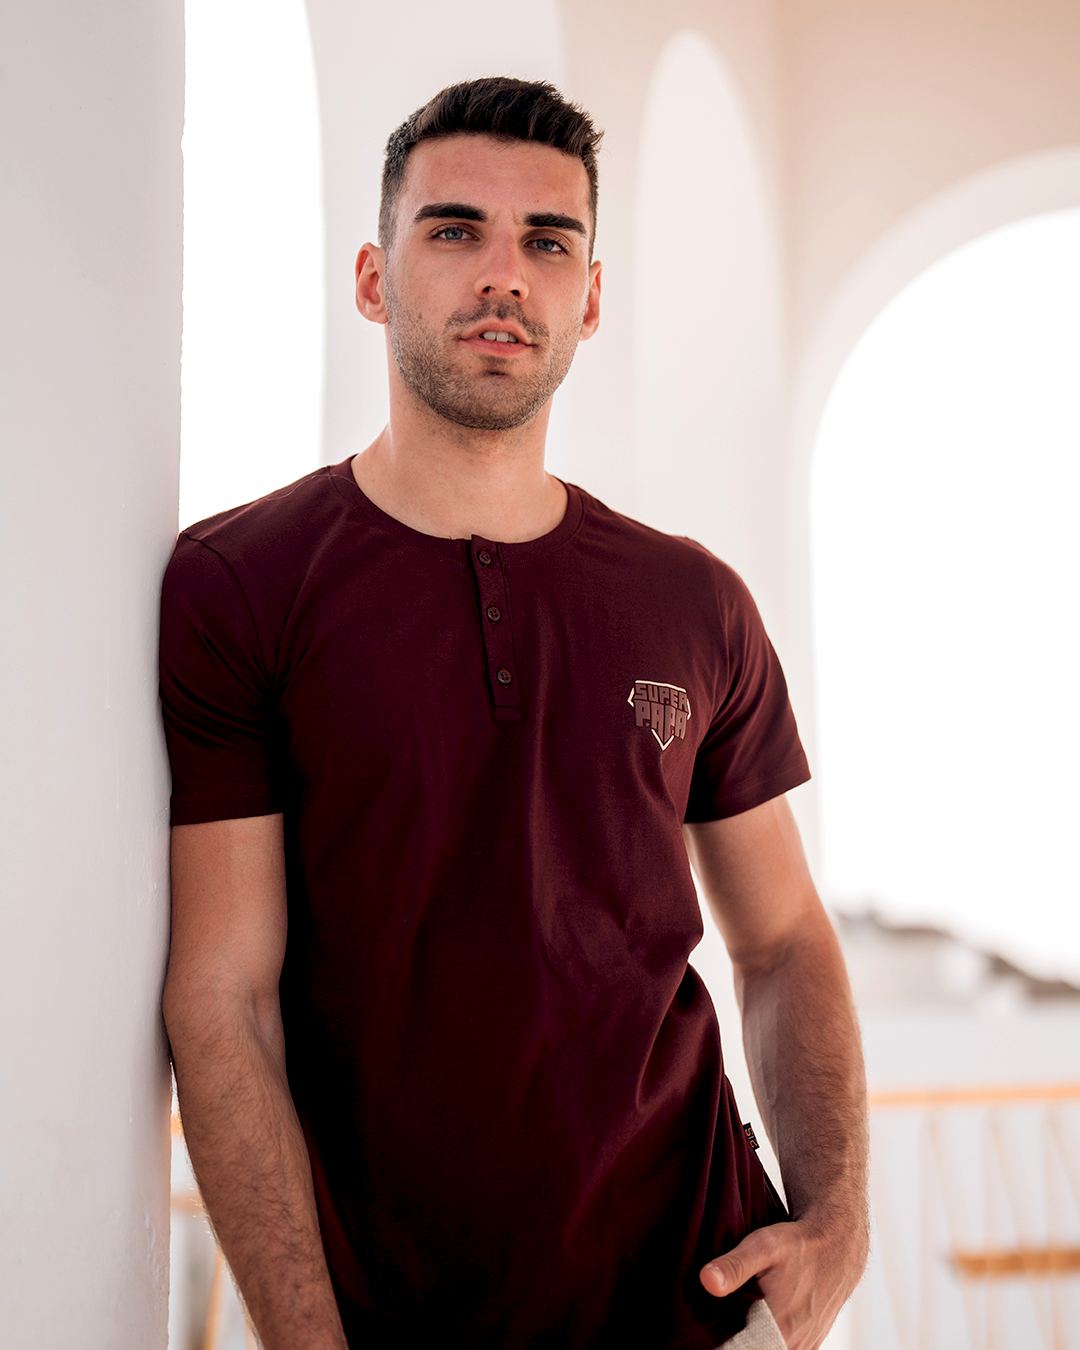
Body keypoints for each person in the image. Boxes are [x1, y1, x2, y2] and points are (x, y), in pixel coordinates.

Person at [160, 77, 868, 1350]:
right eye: (455, 231)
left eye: (547, 242)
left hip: (705, 1302)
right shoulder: (241, 584)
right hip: (390, 1319)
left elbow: (780, 940)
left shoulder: (694, 600)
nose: (504, 275)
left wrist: (839, 1224)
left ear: (588, 298)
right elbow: (224, 997)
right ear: (373, 279)